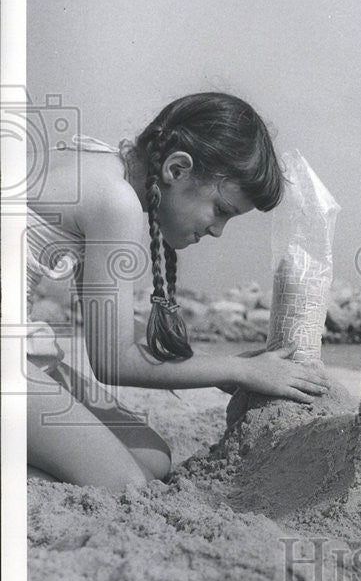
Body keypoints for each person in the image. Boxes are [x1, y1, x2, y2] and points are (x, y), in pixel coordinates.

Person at [25, 92, 331, 489]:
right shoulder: (116, 202)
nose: (217, 230)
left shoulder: (102, 163)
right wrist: (243, 369)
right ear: (177, 169)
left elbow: (108, 327)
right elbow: (112, 361)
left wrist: (220, 365)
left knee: (153, 458)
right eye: (221, 210)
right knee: (126, 484)